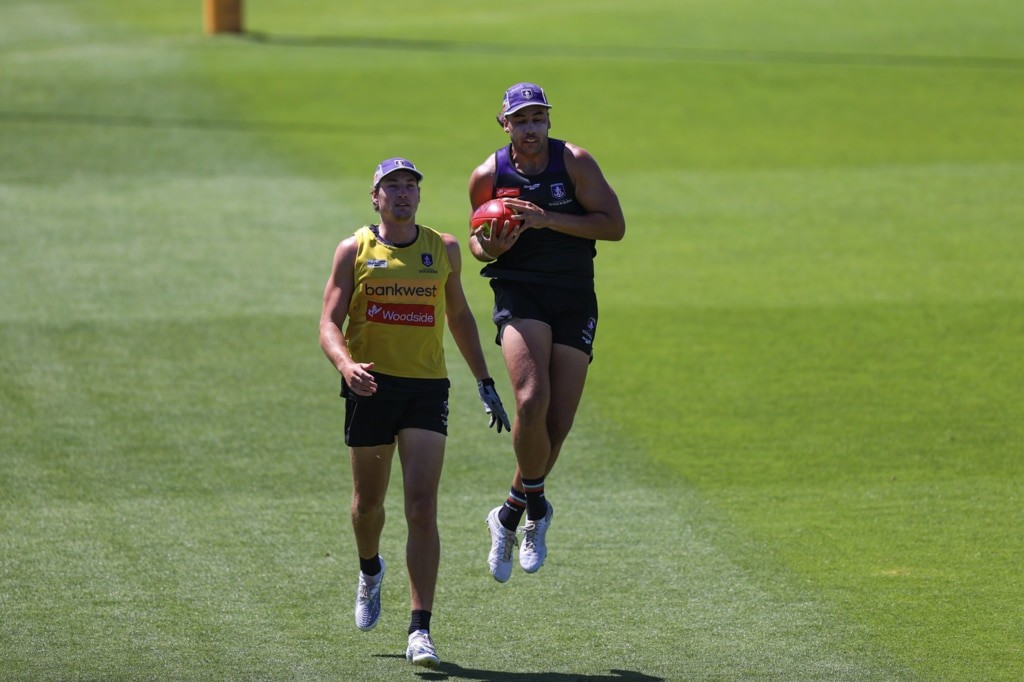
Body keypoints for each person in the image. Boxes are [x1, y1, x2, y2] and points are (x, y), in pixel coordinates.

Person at [319, 157, 511, 668]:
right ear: (375, 197)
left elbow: (459, 315)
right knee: (367, 508)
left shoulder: (442, 248)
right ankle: (369, 570)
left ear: (418, 197)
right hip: (371, 386)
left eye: (410, 186)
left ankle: (420, 629)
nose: (402, 194)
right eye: (392, 187)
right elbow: (328, 324)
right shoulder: (353, 250)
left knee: (422, 507)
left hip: (427, 389)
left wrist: (485, 381)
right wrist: (346, 366)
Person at [467, 83, 626, 583]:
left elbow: (614, 225)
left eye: (539, 118)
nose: (531, 127)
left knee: (557, 425)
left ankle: (511, 512)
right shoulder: (489, 174)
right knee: (531, 400)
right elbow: (476, 241)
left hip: (574, 296)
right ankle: (537, 509)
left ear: (548, 123)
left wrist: (547, 219)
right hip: (520, 293)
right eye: (521, 119)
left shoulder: (574, 162)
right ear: (505, 124)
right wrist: (494, 247)